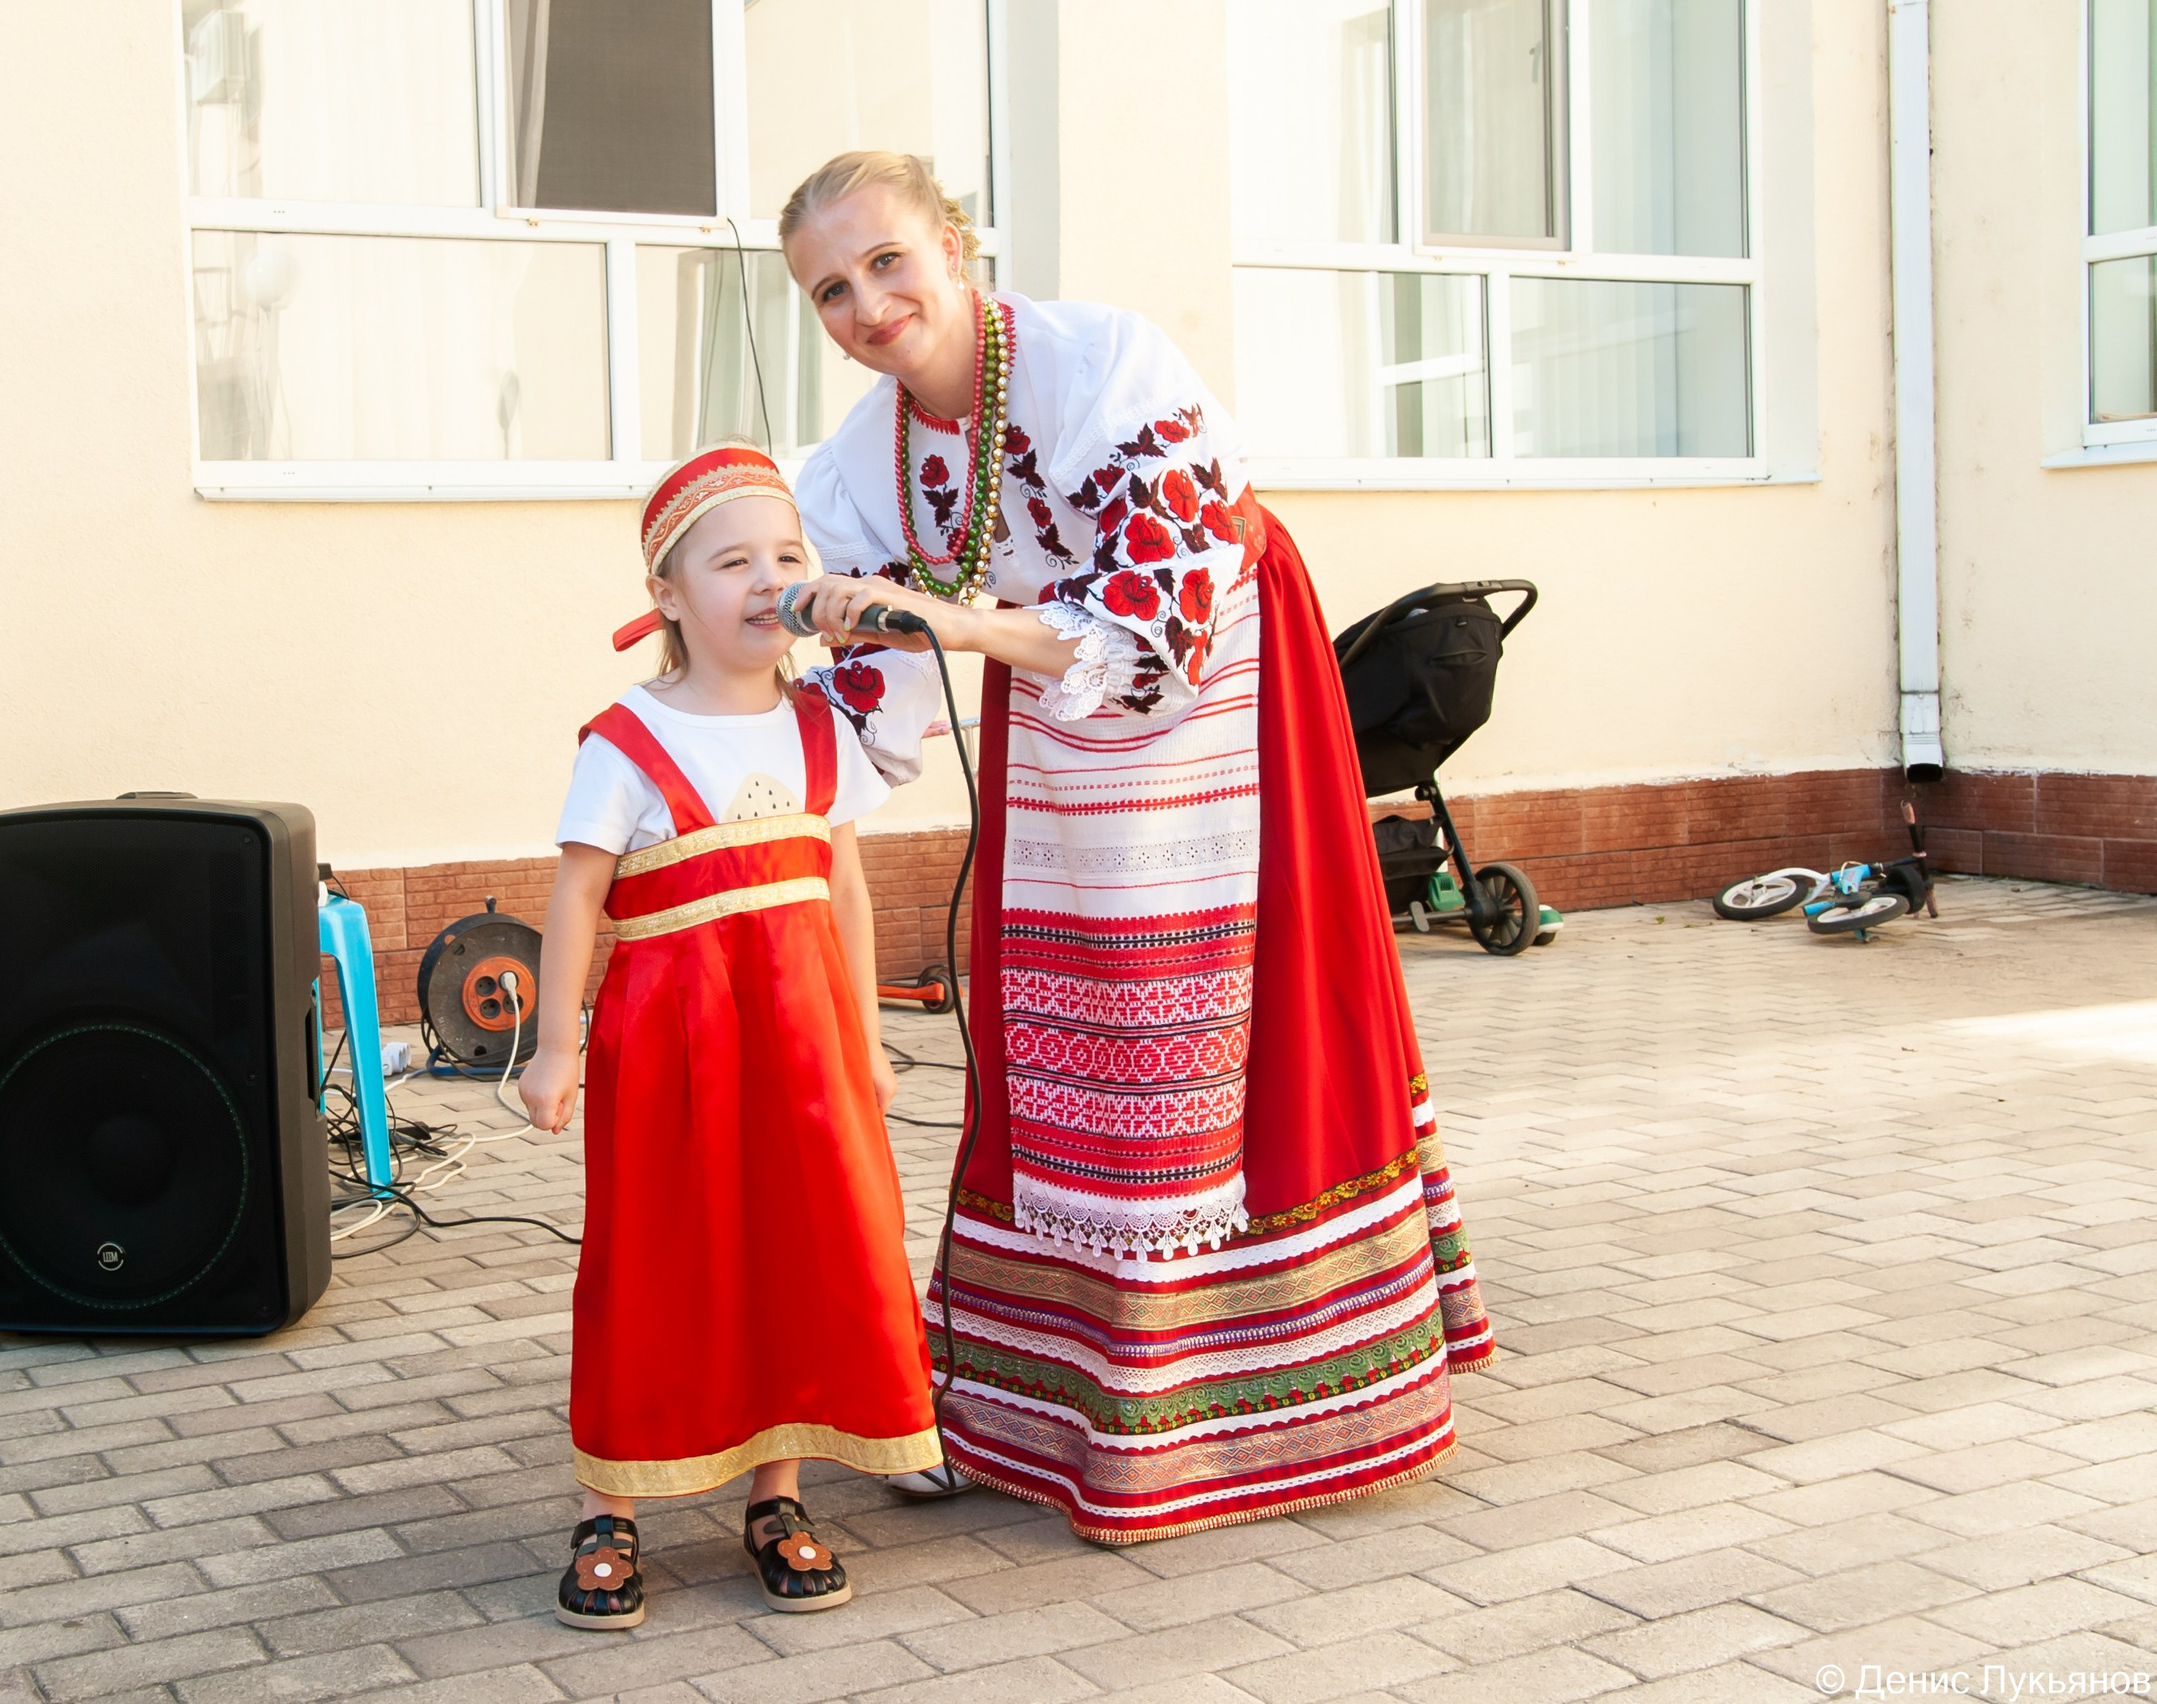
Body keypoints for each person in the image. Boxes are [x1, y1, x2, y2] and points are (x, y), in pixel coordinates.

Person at [774, 152, 1498, 1545]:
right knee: (1075, 1011)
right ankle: (1046, 1396)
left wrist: (959, 625)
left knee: (1243, 1009)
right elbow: (874, 685)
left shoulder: (1098, 360)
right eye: (831, 291)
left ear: (954, 247)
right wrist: (738, 756)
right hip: (1053, 707)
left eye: (886, 262)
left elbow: (1157, 616)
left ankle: (1278, 1399)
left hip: (1225, 674)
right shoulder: (859, 463)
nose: (867, 306)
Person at [517, 443, 942, 1629]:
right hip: (669, 1048)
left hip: (805, 1046)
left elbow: (843, 888)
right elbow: (577, 896)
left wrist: (866, 1039)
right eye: (732, 561)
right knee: (655, 1261)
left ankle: (776, 1494)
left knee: (798, 1251)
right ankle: (610, 1505)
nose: (769, 580)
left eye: (787, 556)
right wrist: (555, 1047)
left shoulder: (824, 727)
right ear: (666, 593)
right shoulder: (626, 740)